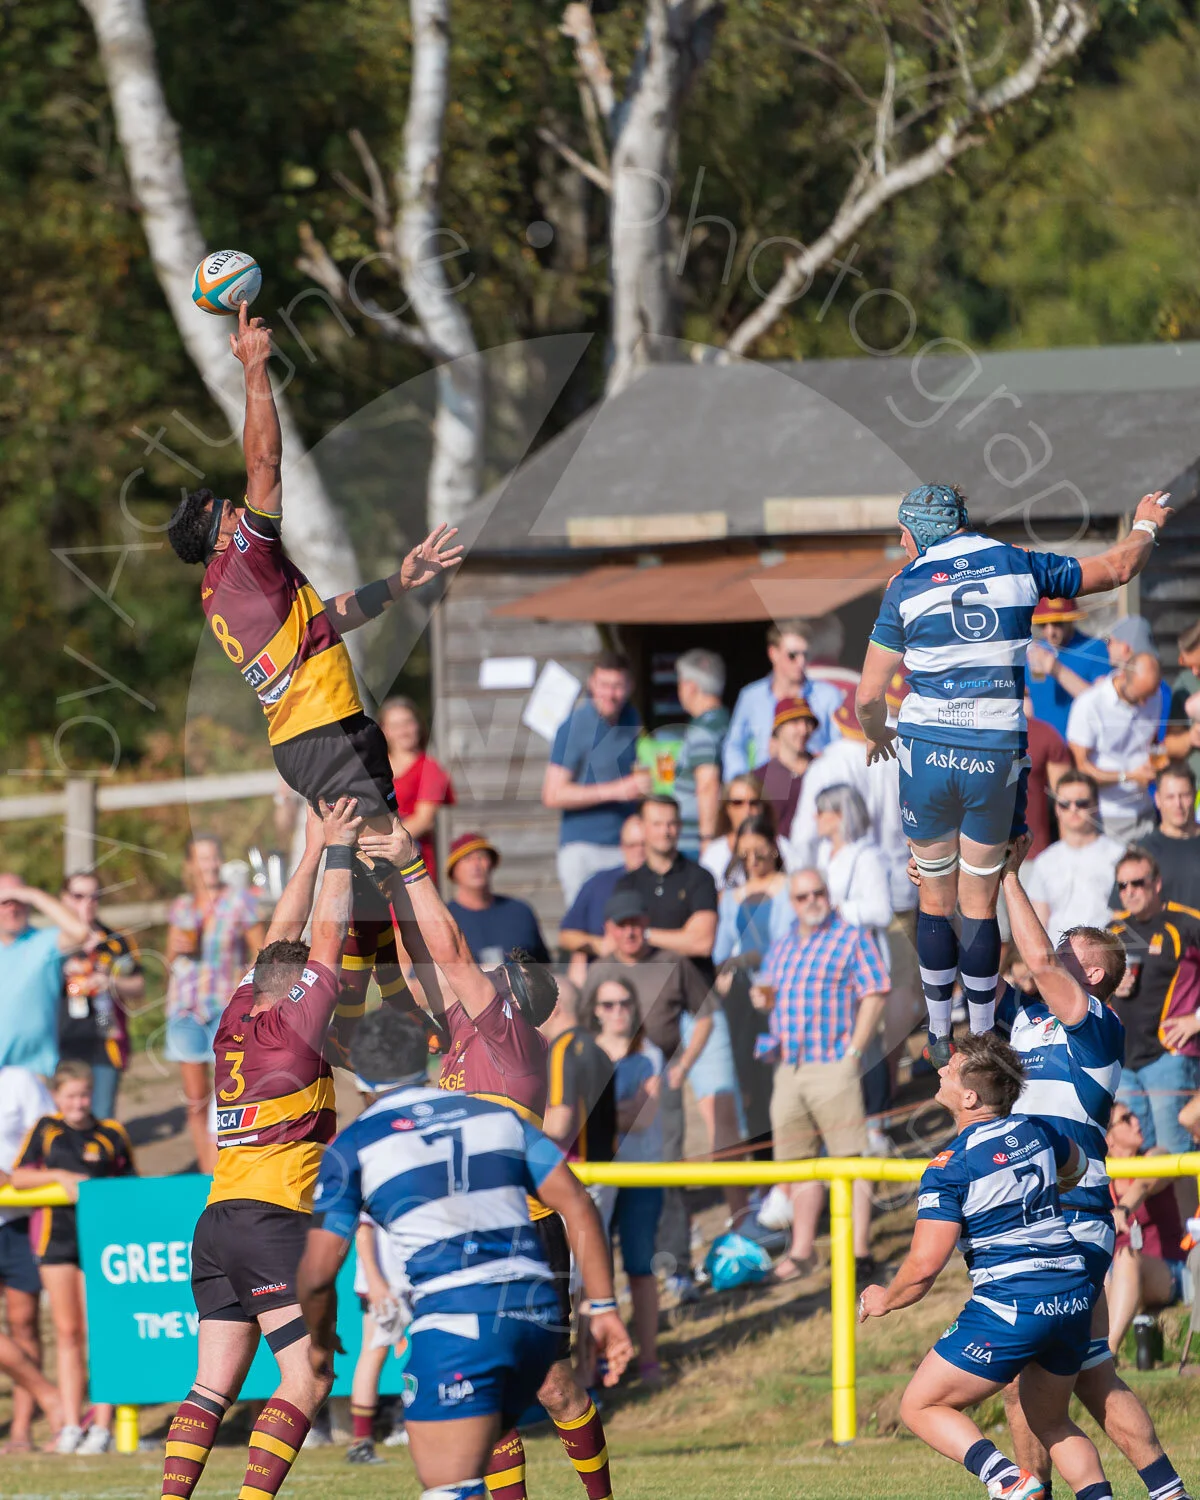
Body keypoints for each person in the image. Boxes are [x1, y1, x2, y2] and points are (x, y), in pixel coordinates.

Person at [165, 302, 455, 1039]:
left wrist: (399, 582)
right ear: (220, 529)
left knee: (372, 877)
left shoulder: (230, 588)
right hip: (322, 735)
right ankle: (438, 1013)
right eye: (229, 507)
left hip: (322, 734)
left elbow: (328, 620)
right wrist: (255, 368)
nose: (243, 504)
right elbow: (266, 461)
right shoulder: (244, 558)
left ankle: (382, 1012)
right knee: (400, 864)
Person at [856, 481, 1174, 1066]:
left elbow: (869, 697)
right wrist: (1145, 524)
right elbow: (1119, 568)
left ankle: (938, 1032)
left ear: (913, 535)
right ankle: (982, 1034)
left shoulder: (903, 586)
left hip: (926, 750)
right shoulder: (1014, 562)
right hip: (993, 750)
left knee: (934, 897)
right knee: (979, 903)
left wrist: (878, 736)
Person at [354, 821, 621, 1500]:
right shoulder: (468, 1039)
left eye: (490, 977)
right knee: (488, 1393)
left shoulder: (507, 1036)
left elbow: (450, 956)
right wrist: (391, 887)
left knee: (556, 1388)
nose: (471, 981)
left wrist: (414, 869)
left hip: (524, 1230)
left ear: (509, 996)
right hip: (465, 1229)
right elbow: (427, 957)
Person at [296, 1008, 633, 1500]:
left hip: (459, 1318)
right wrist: (602, 1306)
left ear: (359, 1076)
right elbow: (577, 1202)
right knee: (496, 1423)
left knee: (448, 1485)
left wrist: (320, 1344)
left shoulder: (354, 1146)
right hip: (535, 1312)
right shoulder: (496, 1117)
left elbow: (317, 1274)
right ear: (426, 1061)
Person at [153, 798, 359, 1500]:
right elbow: (324, 932)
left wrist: (310, 848)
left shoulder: (236, 1015)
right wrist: (341, 850)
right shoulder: (300, 1032)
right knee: (309, 1377)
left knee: (212, 1387)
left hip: (214, 1223)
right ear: (299, 991)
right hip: (271, 1220)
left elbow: (283, 933)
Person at [1001, 835, 1194, 1500]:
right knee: (1092, 1374)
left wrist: (1005, 871)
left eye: (1066, 957)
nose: (1049, 957)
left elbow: (1030, 954)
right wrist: (941, 881)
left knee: (1025, 1390)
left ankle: (1042, 1493)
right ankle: (1169, 1493)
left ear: (1091, 977)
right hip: (1047, 1214)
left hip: (1063, 1215)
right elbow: (975, 963)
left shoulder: (1098, 1024)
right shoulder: (1025, 1018)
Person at [858, 1034, 1114, 1500]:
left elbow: (922, 1268)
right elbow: (1076, 1167)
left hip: (1015, 1302)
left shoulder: (949, 1166)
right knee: (1052, 1422)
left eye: (949, 1072)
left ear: (970, 1097)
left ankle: (1009, 1481)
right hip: (1074, 1292)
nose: (940, 1073)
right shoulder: (1038, 1130)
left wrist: (883, 1300)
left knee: (920, 1405)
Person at [751, 868, 889, 1281]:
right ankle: (802, 1251)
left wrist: (854, 1051)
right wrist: (762, 999)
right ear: (791, 903)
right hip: (788, 1066)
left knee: (850, 1158)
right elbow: (771, 996)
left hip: (833, 1062)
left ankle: (859, 1251)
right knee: (797, 1166)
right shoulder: (781, 946)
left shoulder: (850, 936)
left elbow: (877, 991)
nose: (812, 900)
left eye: (818, 892)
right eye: (802, 895)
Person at [582, 890, 714, 1301]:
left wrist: (683, 1065)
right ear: (610, 930)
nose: (631, 932)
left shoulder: (670, 963)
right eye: (622, 926)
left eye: (637, 924)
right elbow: (580, 1023)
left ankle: (677, 1268)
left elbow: (707, 1013)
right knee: (605, 1190)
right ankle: (613, 1282)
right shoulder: (599, 970)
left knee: (668, 1174)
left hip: (660, 1077)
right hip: (605, 1081)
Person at [12, 1058, 136, 1454]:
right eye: (71, 1096)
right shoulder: (46, 1131)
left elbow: (131, 1186)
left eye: (84, 1094)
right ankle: (69, 1424)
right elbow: (18, 1176)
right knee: (67, 1333)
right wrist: (60, 1178)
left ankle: (101, 1425)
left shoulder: (112, 1133)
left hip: (100, 1243)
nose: (79, 1103)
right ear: (56, 1097)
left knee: (100, 1331)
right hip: (56, 1241)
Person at [164, 836, 265, 1174]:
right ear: (189, 866)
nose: (207, 865)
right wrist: (176, 949)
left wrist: (249, 987)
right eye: (200, 859)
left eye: (212, 858)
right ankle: (206, 1174)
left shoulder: (240, 903)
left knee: (229, 1094)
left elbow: (261, 953)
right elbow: (168, 960)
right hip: (185, 1008)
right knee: (196, 1100)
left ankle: (225, 1168)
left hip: (226, 1008)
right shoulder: (182, 906)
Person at [586, 975, 667, 1387]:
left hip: (638, 1175)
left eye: (624, 1003)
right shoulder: (585, 1053)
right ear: (595, 1011)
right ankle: (598, 1366)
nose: (617, 1011)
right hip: (597, 1178)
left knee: (639, 1268)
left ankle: (648, 1361)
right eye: (608, 1004)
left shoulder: (650, 1055)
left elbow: (642, 1118)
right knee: (594, 1275)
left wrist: (596, 1116)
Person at [1107, 848, 1200, 1160]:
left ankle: (1189, 1213)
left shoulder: (1186, 924)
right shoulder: (1114, 932)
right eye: (1123, 886)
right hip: (1124, 1061)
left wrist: (1197, 1020)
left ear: (1157, 883)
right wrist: (1112, 986)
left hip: (1169, 1056)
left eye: (1138, 883)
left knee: (1175, 1156)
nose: (1130, 892)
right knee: (1133, 1156)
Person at [542, 650, 648, 905]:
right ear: (592, 683)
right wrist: (616, 790)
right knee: (585, 931)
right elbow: (552, 794)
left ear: (630, 686)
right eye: (604, 685)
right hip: (583, 849)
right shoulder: (574, 726)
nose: (610, 694)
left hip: (626, 848)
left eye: (618, 686)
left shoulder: (631, 717)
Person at [713, 816, 793, 1148]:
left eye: (758, 852)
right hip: (746, 994)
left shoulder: (789, 888)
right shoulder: (734, 897)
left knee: (781, 1079)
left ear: (773, 849)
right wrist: (725, 974)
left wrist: (744, 960)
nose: (753, 861)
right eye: (745, 855)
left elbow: (785, 942)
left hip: (782, 990)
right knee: (750, 1080)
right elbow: (720, 950)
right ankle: (764, 1165)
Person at [57, 871, 145, 1122]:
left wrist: (111, 982)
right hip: (61, 1043)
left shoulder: (116, 940)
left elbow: (138, 987)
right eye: (78, 896)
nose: (87, 902)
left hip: (106, 1042)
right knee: (64, 1121)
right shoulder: (51, 943)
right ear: (63, 899)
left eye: (94, 896)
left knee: (102, 1119)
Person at [1104, 1104, 1189, 1360]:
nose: (1137, 1122)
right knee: (1100, 1269)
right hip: (1117, 1273)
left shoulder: (1157, 1155)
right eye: (1126, 1119)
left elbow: (1143, 1182)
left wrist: (1123, 1209)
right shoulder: (1099, 1174)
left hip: (1169, 1268)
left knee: (1126, 1258)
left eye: (1134, 1115)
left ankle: (1107, 1353)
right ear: (1108, 1138)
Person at [0, 1064, 55, 1453]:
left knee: (24, 1324)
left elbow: (54, 1139)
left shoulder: (18, 1079)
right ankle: (49, 1396)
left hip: (20, 1219)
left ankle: (22, 1430)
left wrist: (18, 1175)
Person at [723, 617, 844, 777]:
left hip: (812, 784)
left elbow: (840, 746)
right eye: (793, 655)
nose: (801, 662)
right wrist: (743, 784)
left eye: (805, 655)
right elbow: (734, 745)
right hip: (766, 790)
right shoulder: (751, 696)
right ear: (773, 653)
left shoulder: (828, 695)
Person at [0, 873, 90, 1080]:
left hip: (37, 1070)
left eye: (18, 901)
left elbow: (80, 932)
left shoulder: (45, 942)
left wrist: (32, 894)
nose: (12, 908)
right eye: (4, 902)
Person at [1019, 771, 1125, 946]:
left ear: (1096, 805)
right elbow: (1037, 924)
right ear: (1057, 809)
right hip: (1058, 960)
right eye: (1065, 804)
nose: (1073, 809)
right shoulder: (1045, 861)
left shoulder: (1118, 856)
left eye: (1082, 803)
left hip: (1105, 958)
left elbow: (1125, 918)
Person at [1067, 655, 1165, 842]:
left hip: (1145, 809)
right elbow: (1081, 769)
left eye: (1149, 695)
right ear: (1122, 676)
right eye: (1139, 696)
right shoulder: (1089, 704)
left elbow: (1151, 742)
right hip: (1107, 815)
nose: (1145, 703)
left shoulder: (1155, 696)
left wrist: (1156, 763)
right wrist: (1129, 776)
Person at [616, 796, 718, 968]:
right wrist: (681, 938)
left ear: (680, 826)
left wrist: (644, 935)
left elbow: (702, 943)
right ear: (642, 827)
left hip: (691, 982)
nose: (665, 831)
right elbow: (617, 941)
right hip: (641, 979)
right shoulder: (627, 884)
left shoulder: (700, 878)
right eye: (657, 824)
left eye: (671, 824)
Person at [379, 695, 455, 883]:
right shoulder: (373, 767)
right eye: (395, 726)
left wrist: (379, 846)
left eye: (407, 723)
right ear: (384, 730)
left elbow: (424, 820)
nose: (403, 731)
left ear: (418, 726)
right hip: (375, 860)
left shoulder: (431, 768)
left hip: (411, 860)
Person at [541, 984, 618, 1169]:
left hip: (578, 1173)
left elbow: (559, 1125)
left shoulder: (562, 1050)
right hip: (606, 1172)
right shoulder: (599, 1050)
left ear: (553, 1007)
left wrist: (513, 1114)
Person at [445, 832, 550, 966]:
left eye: (482, 857)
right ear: (453, 871)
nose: (476, 865)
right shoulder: (443, 919)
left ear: (492, 864)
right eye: (467, 858)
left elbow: (546, 968)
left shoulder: (520, 912)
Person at [1107, 762, 1200, 912]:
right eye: (1170, 797)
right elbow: (1120, 914)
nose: (1178, 804)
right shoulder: (1143, 851)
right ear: (1157, 799)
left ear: (1195, 795)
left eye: (1184, 795)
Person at [557, 815, 645, 962]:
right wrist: (600, 945)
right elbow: (566, 935)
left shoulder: (667, 883)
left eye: (644, 845)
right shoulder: (598, 884)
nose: (639, 851)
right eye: (632, 845)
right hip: (604, 969)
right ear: (622, 847)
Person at [1026, 595, 1111, 737]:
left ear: (1072, 620)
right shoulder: (1036, 651)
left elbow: (1102, 705)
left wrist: (1058, 671)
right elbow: (1029, 702)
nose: (1050, 632)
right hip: (1044, 750)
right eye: (1043, 625)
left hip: (1080, 747)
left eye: (1057, 623)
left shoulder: (1095, 648)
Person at [673, 648, 730, 858]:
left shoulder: (703, 730)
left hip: (694, 840)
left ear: (690, 687)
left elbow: (707, 785)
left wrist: (707, 839)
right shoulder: (723, 721)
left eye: (680, 682)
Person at [814, 783, 893, 931]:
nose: (814, 817)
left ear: (840, 815)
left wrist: (839, 910)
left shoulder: (868, 857)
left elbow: (882, 912)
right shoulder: (823, 851)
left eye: (820, 811)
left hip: (858, 944)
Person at [753, 697, 817, 841]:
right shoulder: (760, 778)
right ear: (778, 729)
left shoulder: (822, 769)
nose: (803, 730)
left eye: (808, 722)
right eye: (794, 722)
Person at [1021, 691, 1073, 858]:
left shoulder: (1044, 734)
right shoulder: (970, 734)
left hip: (1033, 854)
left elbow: (1065, 798)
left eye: (1027, 694)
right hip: (978, 858)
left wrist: (1068, 855)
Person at [700, 775, 768, 890]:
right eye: (738, 803)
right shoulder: (714, 853)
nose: (747, 810)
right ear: (727, 808)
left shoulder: (781, 848)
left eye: (754, 803)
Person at [1163, 620, 1200, 781]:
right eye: (1189, 665)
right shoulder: (1185, 685)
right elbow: (1169, 744)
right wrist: (1191, 737)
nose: (1195, 672)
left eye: (1199, 665)